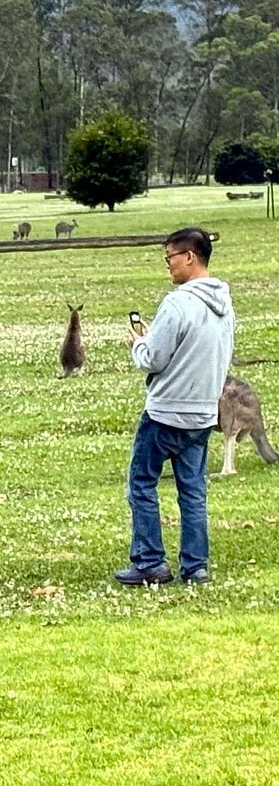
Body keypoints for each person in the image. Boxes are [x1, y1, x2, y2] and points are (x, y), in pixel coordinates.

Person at [115, 227, 234, 586]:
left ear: (189, 257)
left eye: (170, 258)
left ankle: (150, 561)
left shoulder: (177, 303)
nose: (168, 265)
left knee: (141, 483)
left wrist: (139, 343)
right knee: (193, 490)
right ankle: (195, 567)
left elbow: (153, 358)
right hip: (202, 413)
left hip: (166, 412)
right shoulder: (225, 305)